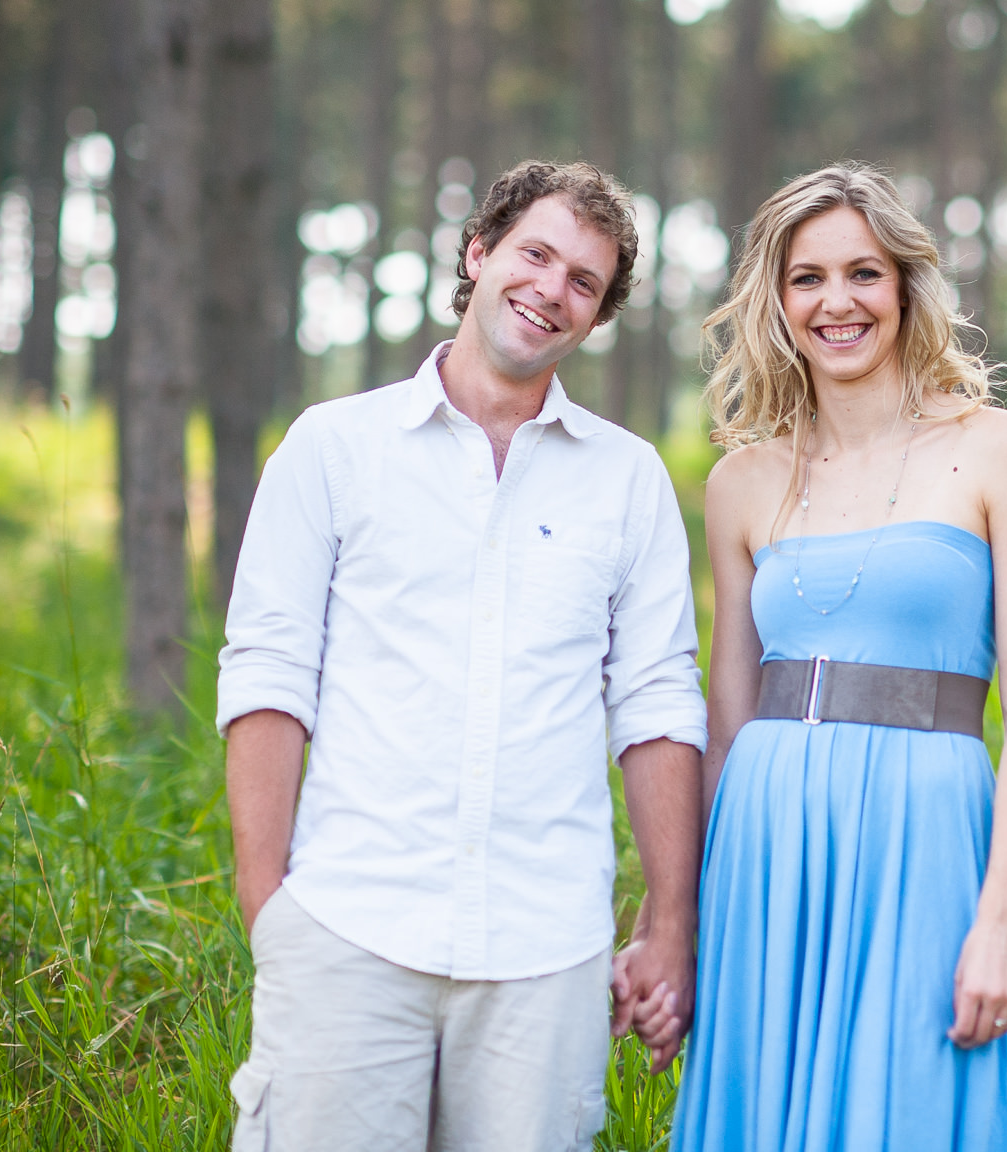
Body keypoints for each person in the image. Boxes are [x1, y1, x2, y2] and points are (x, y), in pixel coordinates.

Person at [216, 160, 704, 1152]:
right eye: (536, 254)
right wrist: (271, 907)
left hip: (545, 955)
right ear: (478, 253)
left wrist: (668, 919)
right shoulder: (332, 447)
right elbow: (269, 675)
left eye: (583, 280)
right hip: (347, 931)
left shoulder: (627, 480)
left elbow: (656, 704)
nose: (551, 288)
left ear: (596, 315)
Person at [663, 163, 1007, 1151]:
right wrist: (679, 916)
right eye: (807, 278)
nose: (835, 301)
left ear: (903, 287)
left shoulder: (999, 448)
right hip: (764, 850)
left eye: (862, 274)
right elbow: (724, 722)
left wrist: (1001, 918)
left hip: (926, 838)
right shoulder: (738, 483)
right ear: (775, 299)